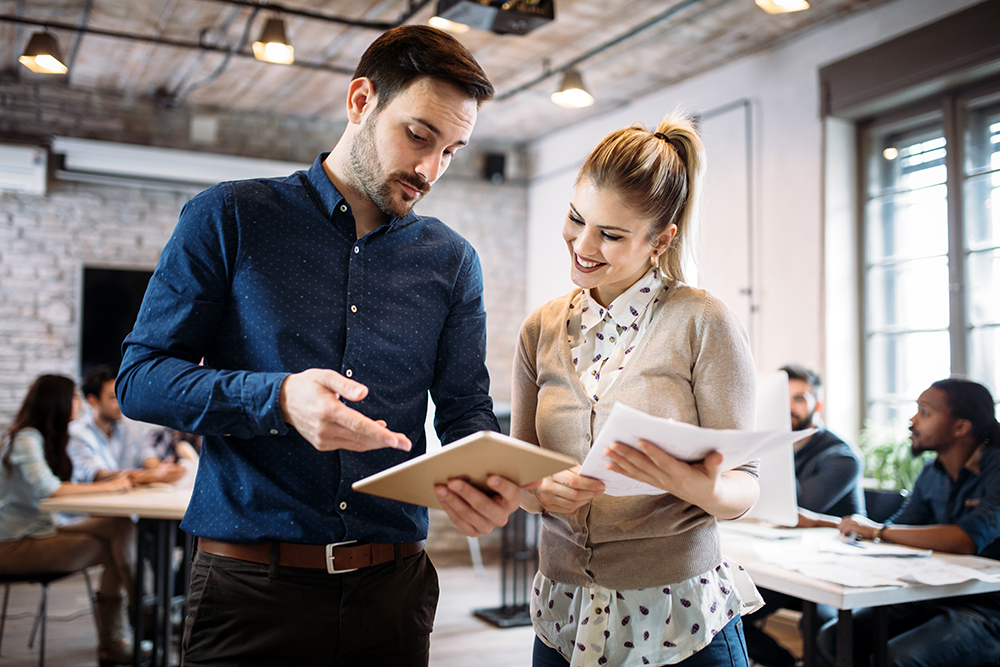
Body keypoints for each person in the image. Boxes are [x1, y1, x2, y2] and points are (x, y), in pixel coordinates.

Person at [116, 25, 525, 666]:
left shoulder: (452, 261)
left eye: (452, 151)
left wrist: (485, 480)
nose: (429, 170)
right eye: (419, 135)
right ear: (361, 101)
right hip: (250, 592)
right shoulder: (228, 217)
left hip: (395, 592)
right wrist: (277, 397)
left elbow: (466, 407)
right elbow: (140, 379)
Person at [512, 115, 763, 667]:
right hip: (565, 613)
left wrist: (688, 482)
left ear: (661, 240)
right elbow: (522, 477)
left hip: (678, 617)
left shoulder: (702, 321)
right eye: (576, 219)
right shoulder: (540, 329)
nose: (582, 244)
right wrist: (538, 492)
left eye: (611, 234)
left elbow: (744, 485)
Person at [817, 378, 1000, 667]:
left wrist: (878, 530)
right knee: (836, 638)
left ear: (961, 427)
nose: (912, 421)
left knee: (896, 658)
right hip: (933, 593)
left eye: (925, 412)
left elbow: (966, 539)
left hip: (986, 606)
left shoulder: (996, 468)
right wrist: (838, 527)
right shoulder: (932, 472)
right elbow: (897, 528)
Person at [0, 375, 136, 665]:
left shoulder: (50, 437)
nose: (78, 403)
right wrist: (109, 486)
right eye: (74, 397)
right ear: (57, 402)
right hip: (14, 543)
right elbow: (50, 488)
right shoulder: (26, 438)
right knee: (118, 549)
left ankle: (145, 614)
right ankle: (125, 632)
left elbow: (67, 486)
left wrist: (115, 479)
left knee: (121, 524)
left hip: (44, 528)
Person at [744, 365, 864, 667]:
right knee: (727, 609)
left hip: (837, 568)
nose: (788, 407)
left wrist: (776, 445)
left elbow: (793, 509)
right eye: (781, 399)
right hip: (786, 559)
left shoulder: (841, 457)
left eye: (799, 398)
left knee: (821, 628)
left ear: (817, 405)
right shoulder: (777, 448)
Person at [68, 364, 185, 485]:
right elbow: (96, 475)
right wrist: (153, 476)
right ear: (93, 400)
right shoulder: (76, 432)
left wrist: (164, 469)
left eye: (121, 396)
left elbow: (146, 455)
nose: (120, 403)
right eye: (113, 398)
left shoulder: (129, 425)